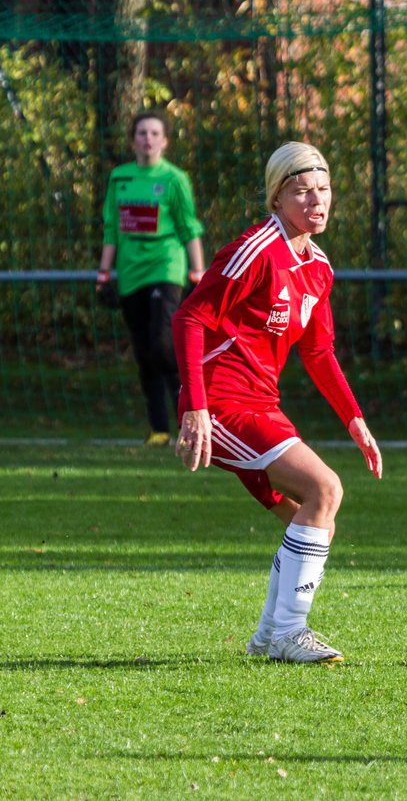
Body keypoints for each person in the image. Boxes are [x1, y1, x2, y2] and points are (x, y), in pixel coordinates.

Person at [171, 141, 382, 664]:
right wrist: (196, 406)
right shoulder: (257, 249)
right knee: (324, 488)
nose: (317, 200)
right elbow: (189, 318)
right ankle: (291, 632)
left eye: (324, 188)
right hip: (220, 401)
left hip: (261, 404)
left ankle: (269, 636)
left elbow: (319, 351)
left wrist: (354, 420)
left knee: (311, 516)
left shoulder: (317, 265)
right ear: (277, 197)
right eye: (302, 190)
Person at [97, 111, 206, 447]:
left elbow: (189, 227)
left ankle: (193, 420)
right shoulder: (120, 178)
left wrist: (198, 271)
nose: (148, 139)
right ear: (133, 140)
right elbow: (112, 228)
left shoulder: (174, 179)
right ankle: (159, 430)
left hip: (166, 267)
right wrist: (104, 273)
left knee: (164, 344)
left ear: (165, 141)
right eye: (142, 133)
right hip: (131, 273)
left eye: (154, 133)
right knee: (145, 351)